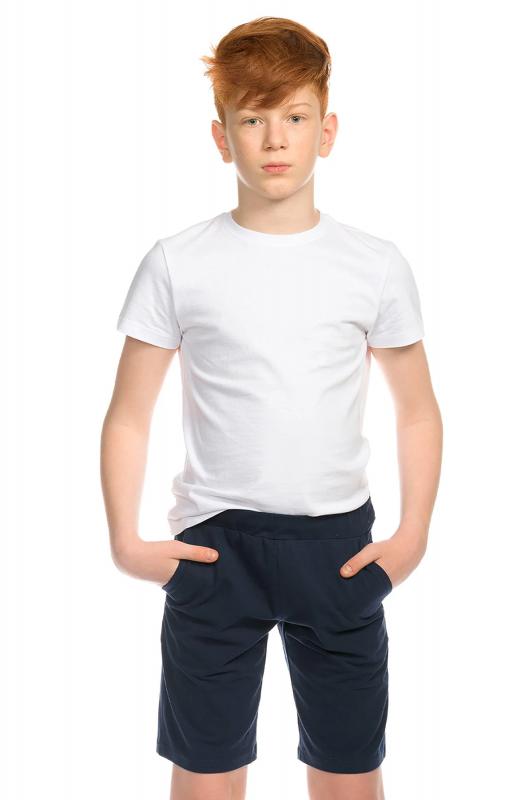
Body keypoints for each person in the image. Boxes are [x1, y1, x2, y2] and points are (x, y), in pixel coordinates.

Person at [101, 15, 443, 800]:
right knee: (206, 769)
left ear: (327, 130)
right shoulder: (177, 263)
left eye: (293, 115)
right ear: (221, 138)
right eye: (251, 119)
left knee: (349, 768)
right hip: (214, 549)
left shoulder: (373, 266)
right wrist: (126, 541)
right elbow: (128, 414)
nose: (274, 138)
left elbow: (417, 410)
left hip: (339, 548)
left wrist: (412, 535)